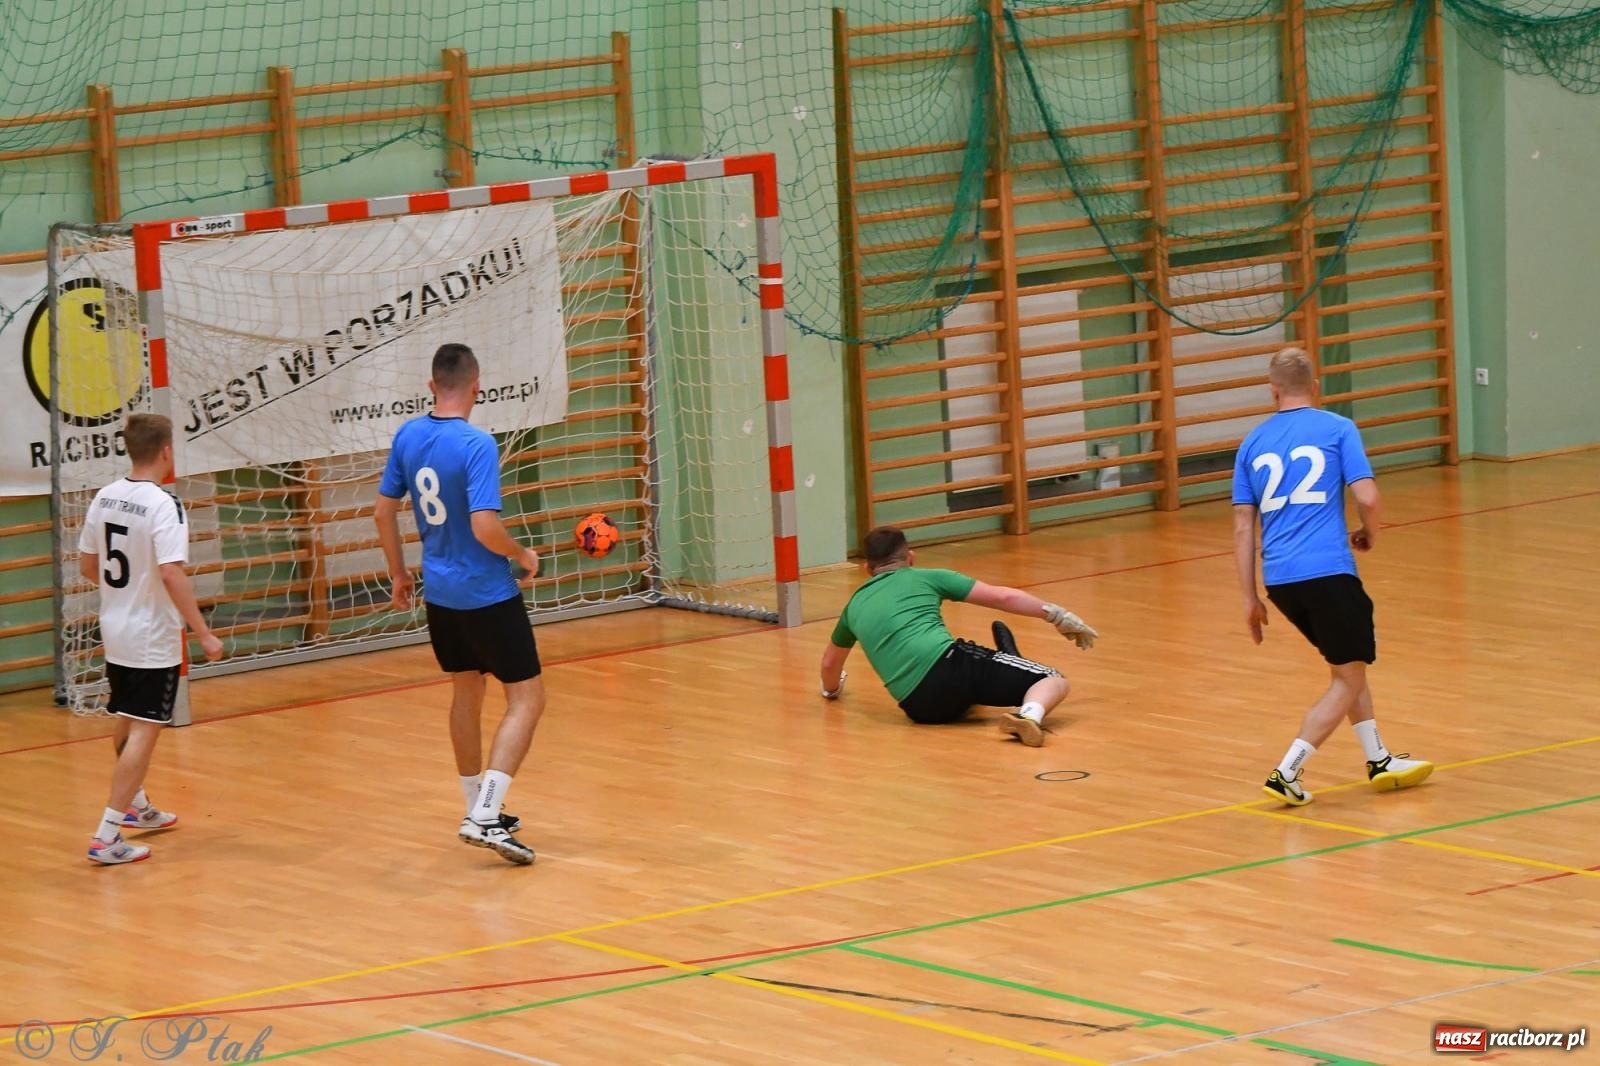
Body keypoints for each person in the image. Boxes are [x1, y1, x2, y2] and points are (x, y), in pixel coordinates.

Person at [1233, 347, 1432, 806]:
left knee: (1348, 667)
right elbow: (1368, 497)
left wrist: (1249, 597)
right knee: (1347, 677)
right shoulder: (1337, 428)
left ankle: (1378, 758)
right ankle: (1288, 771)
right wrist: (1369, 533)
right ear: (1316, 386)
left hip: (1280, 581)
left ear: (1273, 391)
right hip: (1327, 572)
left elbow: (1243, 527)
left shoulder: (1252, 443)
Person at [374, 343, 545, 866]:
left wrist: (399, 573)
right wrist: (522, 554)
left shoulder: (409, 435)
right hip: (486, 593)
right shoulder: (477, 444)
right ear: (477, 386)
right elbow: (484, 526)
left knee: (466, 690)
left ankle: (476, 805)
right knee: (527, 698)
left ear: (432, 386)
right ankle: (486, 815)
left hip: (441, 595)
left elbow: (382, 513)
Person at [78, 413, 225, 865]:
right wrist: (203, 632)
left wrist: (126, 593)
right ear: (166, 451)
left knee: (127, 716)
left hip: (115, 627)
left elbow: (88, 565)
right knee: (146, 726)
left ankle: (137, 807)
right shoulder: (163, 504)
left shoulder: (105, 496)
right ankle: (107, 836)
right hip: (151, 634)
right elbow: (170, 572)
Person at [818, 526, 1097, 746]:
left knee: (974, 696)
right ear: (910, 558)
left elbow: (830, 664)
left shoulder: (853, 606)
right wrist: (1057, 616)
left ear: (868, 569)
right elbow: (1002, 597)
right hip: (949, 666)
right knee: (1051, 679)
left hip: (920, 707)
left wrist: (832, 691)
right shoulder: (926, 577)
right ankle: (1029, 717)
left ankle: (1010, 663)